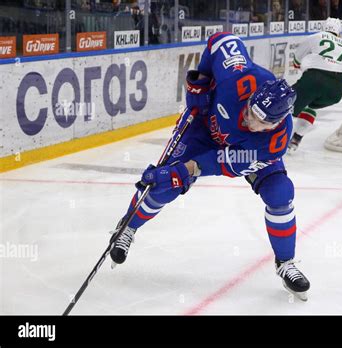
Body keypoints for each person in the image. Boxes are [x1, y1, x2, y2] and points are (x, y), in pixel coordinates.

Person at [109, 32, 311, 300]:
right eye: (251, 111)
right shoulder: (238, 76)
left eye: (261, 123)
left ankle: (285, 263)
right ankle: (128, 227)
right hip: (202, 129)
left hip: (235, 154)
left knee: (279, 192)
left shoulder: (274, 142)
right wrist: (200, 84)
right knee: (163, 187)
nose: (250, 121)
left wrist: (183, 171)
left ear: (277, 123)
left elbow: (219, 162)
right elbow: (222, 41)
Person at [289, 18, 342, 151]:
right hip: (337, 91)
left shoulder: (315, 37)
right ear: (338, 32)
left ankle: (271, 138)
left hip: (315, 78)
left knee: (285, 105)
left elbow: (296, 61)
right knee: (311, 105)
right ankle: (296, 139)